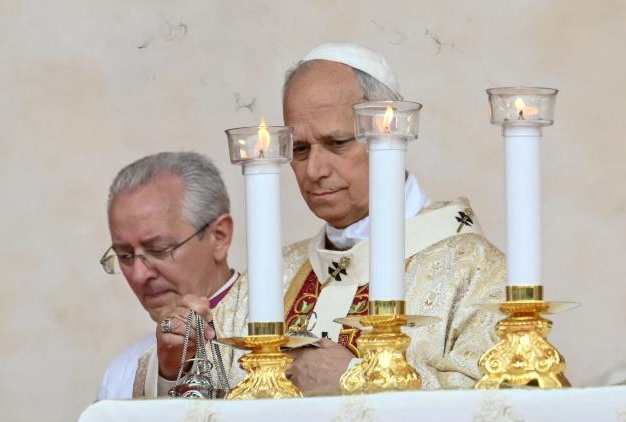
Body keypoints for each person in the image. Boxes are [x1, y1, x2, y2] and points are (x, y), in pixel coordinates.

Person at [280, 43, 506, 394]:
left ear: (390, 132)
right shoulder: (273, 277)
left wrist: (356, 379)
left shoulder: (476, 272)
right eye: (299, 149)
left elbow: (503, 402)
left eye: (337, 142)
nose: (314, 170)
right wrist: (178, 361)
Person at [96, 151, 249, 399]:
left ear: (219, 236)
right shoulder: (121, 374)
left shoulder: (278, 340)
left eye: (159, 250)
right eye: (125, 256)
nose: (139, 275)